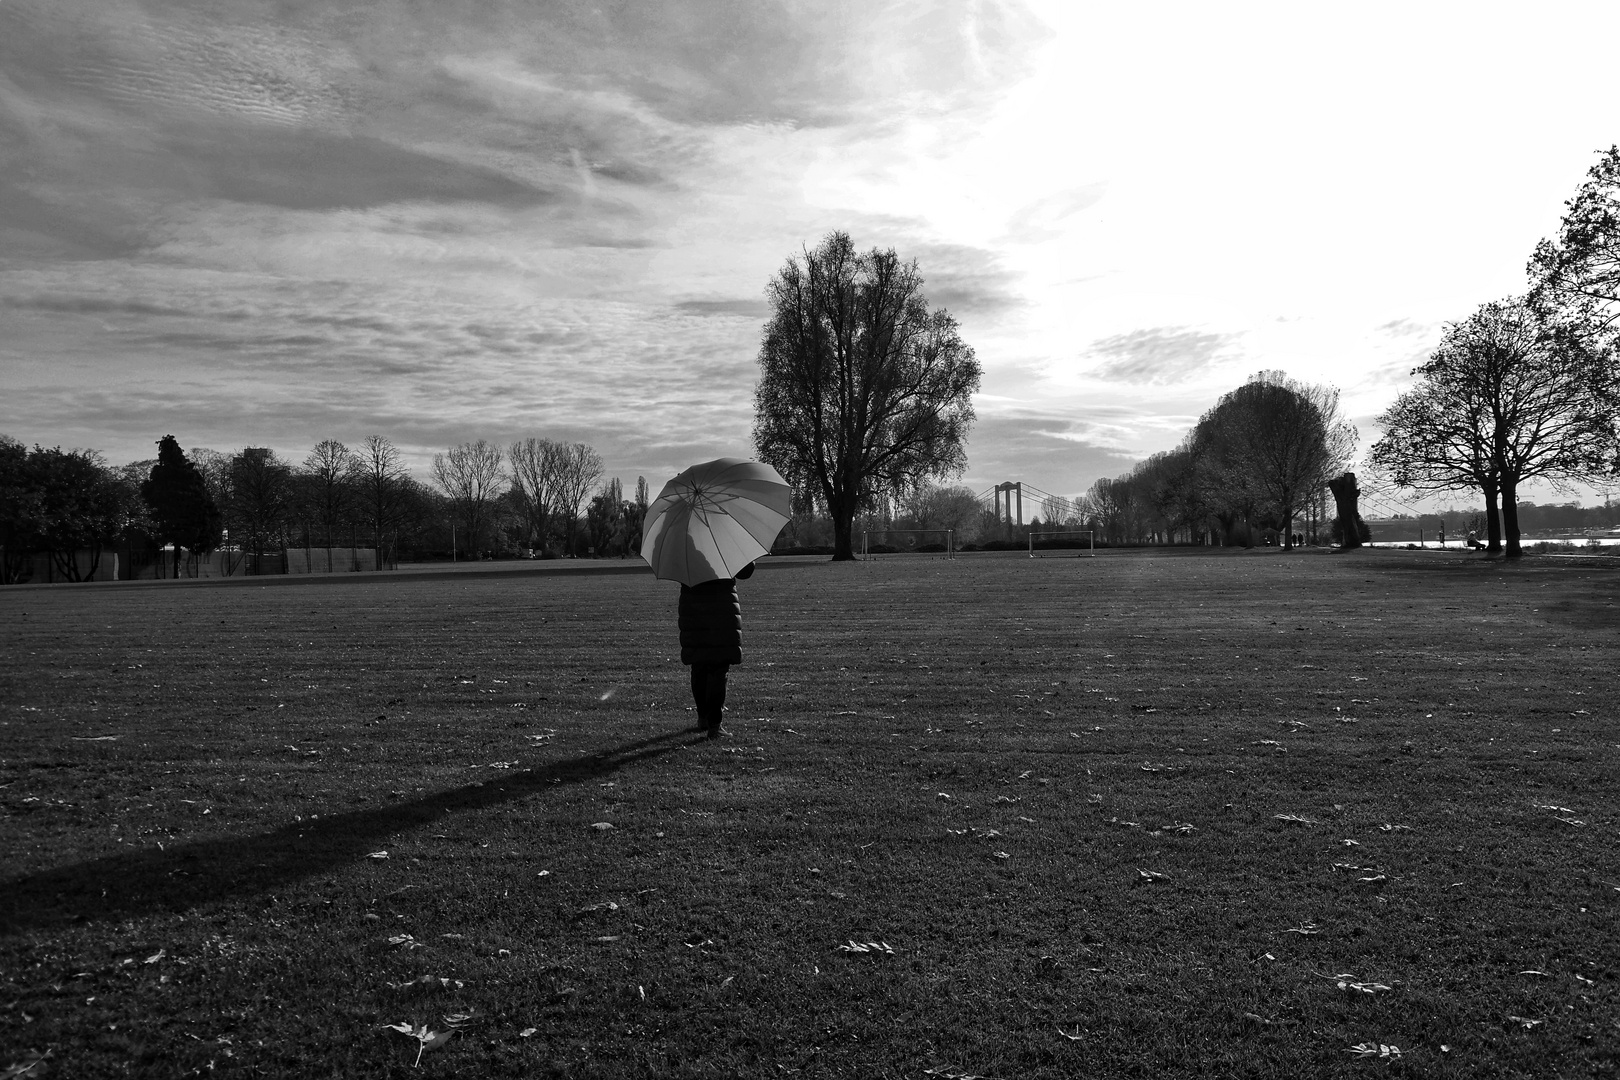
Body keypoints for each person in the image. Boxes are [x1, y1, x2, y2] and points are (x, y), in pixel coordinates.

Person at [678, 561, 754, 738]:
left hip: (693, 609)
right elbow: (746, 571)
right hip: (721, 609)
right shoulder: (724, 542)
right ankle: (715, 724)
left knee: (699, 665)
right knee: (718, 667)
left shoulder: (684, 548)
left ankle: (703, 717)